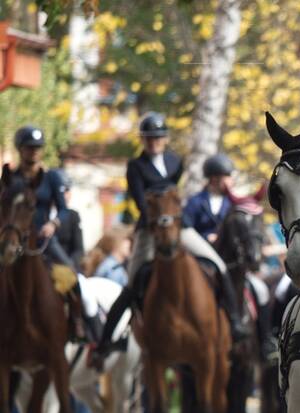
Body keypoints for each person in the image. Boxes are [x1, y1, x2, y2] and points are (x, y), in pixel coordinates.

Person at [94, 113, 246, 364]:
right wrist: (158, 222)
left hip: (180, 226)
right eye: (149, 138)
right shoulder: (135, 167)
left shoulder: (176, 161)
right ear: (143, 140)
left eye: (158, 137)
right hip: (149, 228)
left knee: (217, 264)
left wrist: (172, 221)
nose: (154, 142)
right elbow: (141, 201)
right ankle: (107, 341)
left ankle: (235, 323)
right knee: (132, 284)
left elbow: (175, 195)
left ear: (165, 139)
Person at [4, 126, 101, 342]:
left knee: (75, 282)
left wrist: (53, 223)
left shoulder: (52, 178)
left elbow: (64, 210)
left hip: (44, 241)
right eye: (30, 148)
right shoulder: (12, 179)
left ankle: (85, 329)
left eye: (38, 148)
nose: (34, 152)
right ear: (20, 149)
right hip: (14, 240)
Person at [182, 154, 234, 243]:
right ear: (214, 179)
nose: (231, 181)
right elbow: (186, 229)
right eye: (227, 176)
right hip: (200, 249)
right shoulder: (195, 202)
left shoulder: (231, 203)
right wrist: (206, 237)